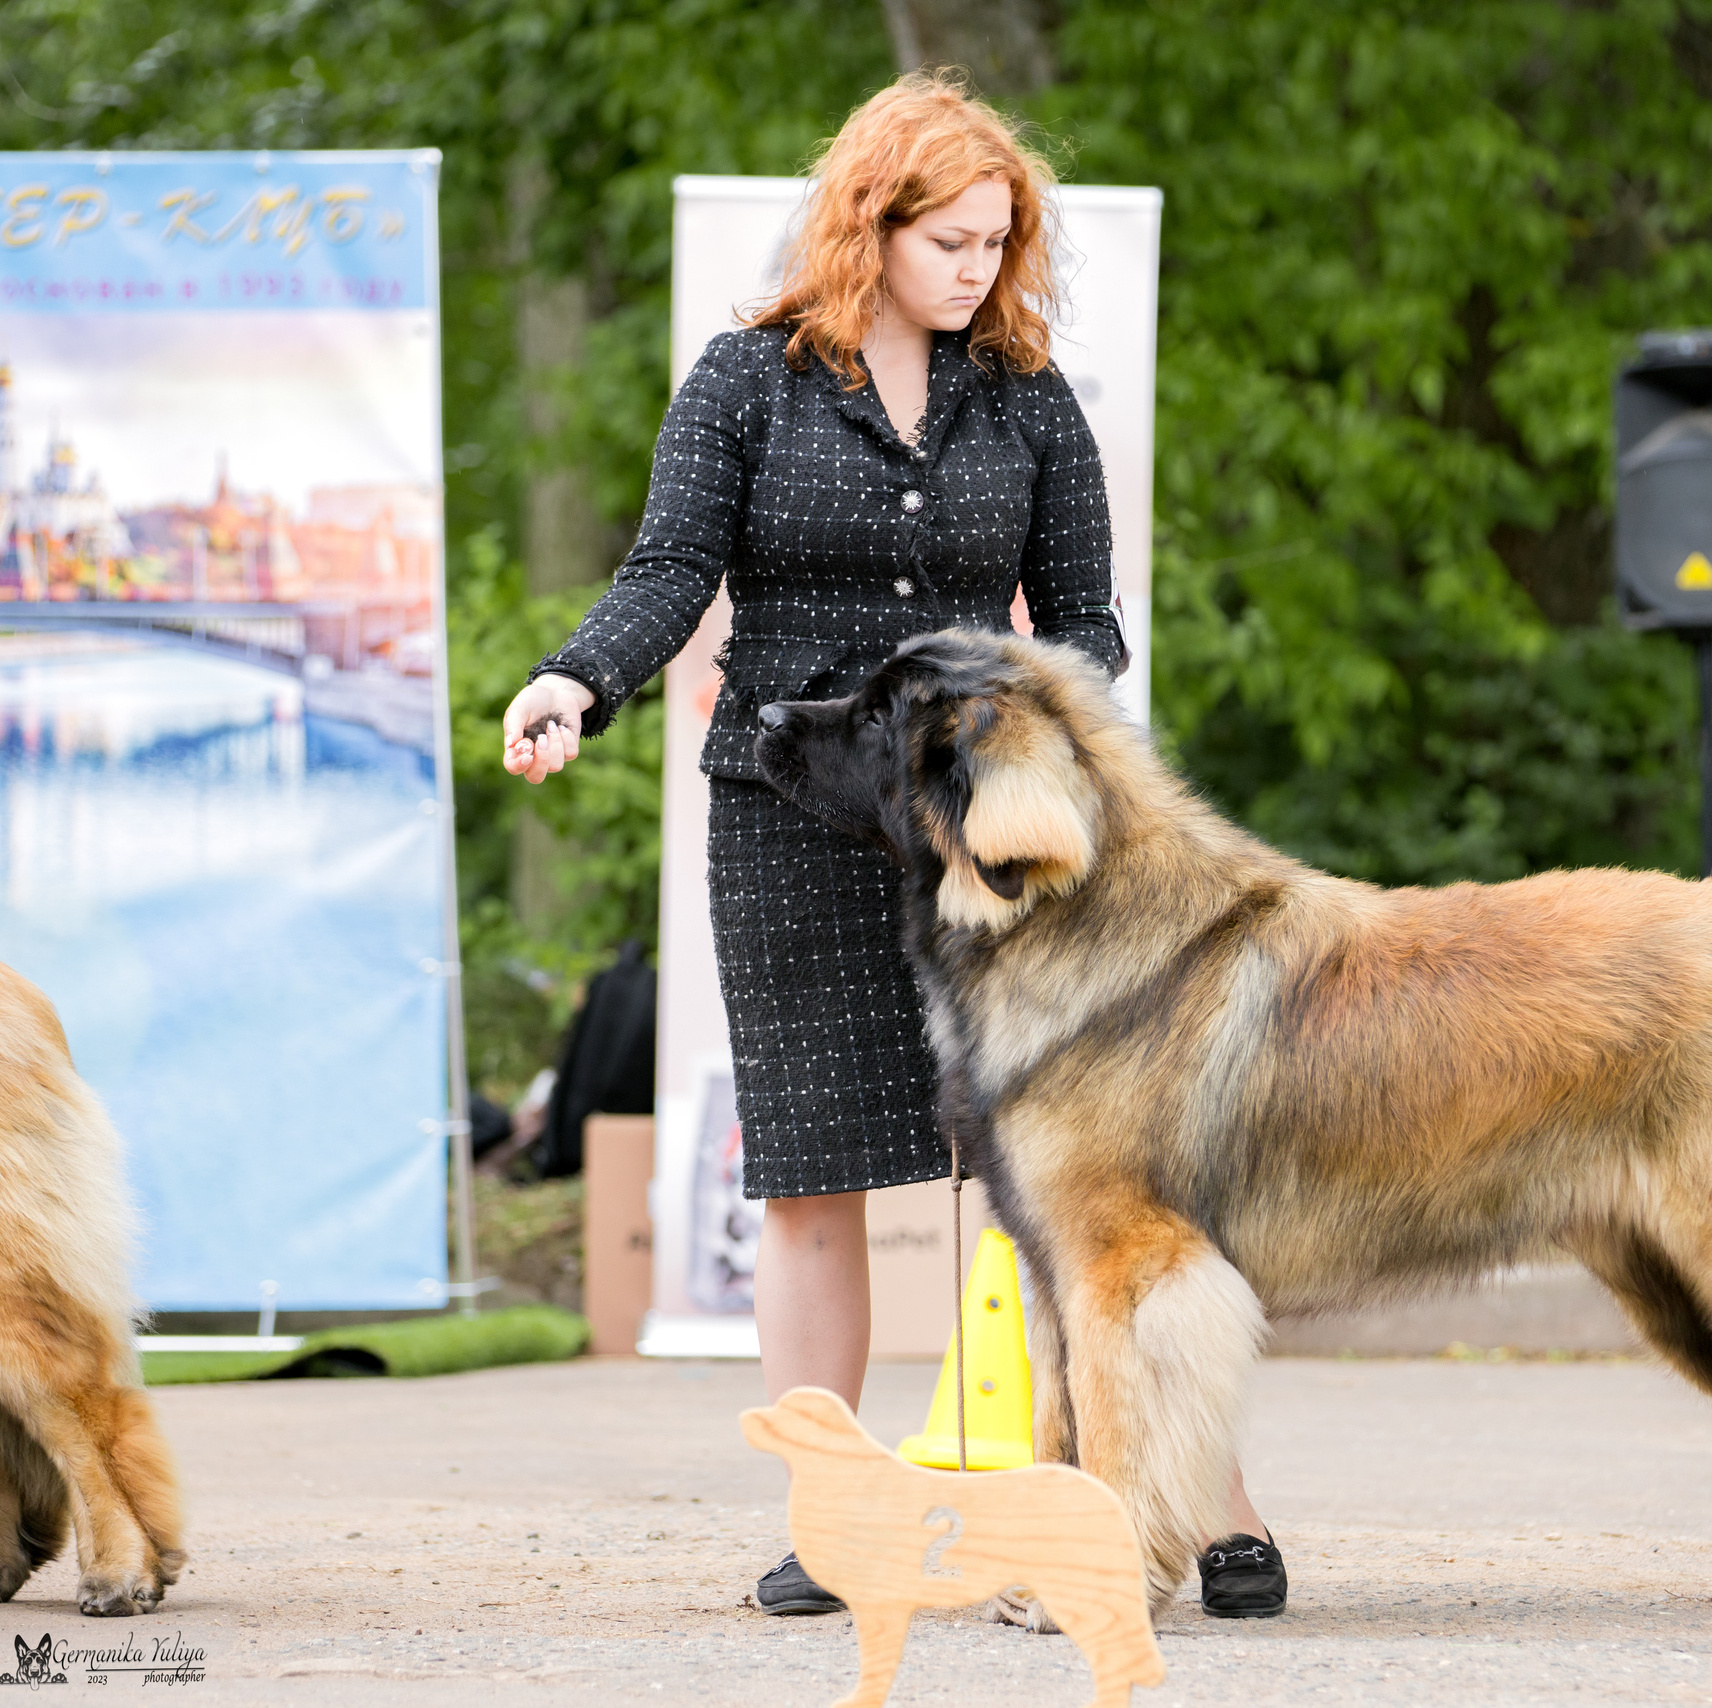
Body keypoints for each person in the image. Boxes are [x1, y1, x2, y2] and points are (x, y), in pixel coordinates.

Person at [500, 72, 1287, 1620]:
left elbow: (1082, 631)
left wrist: (1042, 761)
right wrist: (573, 679)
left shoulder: (1032, 400)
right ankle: (837, 1514)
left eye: (1001, 243)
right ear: (872, 225)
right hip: (790, 815)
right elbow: (669, 570)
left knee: (1081, 1183)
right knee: (814, 1178)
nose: (980, 269)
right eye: (953, 240)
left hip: (984, 844)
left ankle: (1197, 1497)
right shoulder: (745, 384)